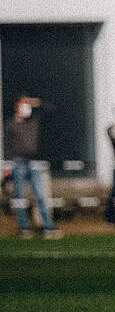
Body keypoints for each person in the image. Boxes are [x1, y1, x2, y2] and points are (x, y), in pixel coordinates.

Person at [2, 94, 61, 238]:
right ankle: (24, 228)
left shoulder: (34, 120)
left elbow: (51, 109)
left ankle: (48, 226)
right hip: (17, 163)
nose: (26, 106)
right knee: (20, 198)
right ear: (17, 106)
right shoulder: (10, 124)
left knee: (40, 196)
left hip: (34, 163)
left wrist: (36, 102)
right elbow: (7, 146)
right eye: (24, 103)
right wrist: (7, 165)